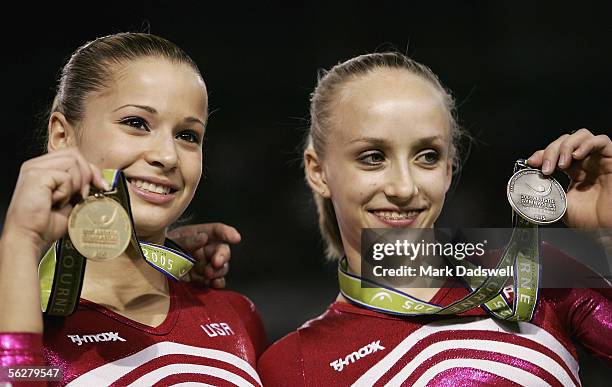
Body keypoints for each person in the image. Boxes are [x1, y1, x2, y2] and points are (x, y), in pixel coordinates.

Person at [257, 52, 612, 385]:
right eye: (372, 157)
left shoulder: (533, 276)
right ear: (318, 172)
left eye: (426, 156)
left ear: (447, 169)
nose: (404, 187)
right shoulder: (294, 366)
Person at [0, 32, 266, 386]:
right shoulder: (20, 322)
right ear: (62, 135)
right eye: (137, 123)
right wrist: (20, 242)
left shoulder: (236, 316)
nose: (168, 156)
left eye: (188, 135)